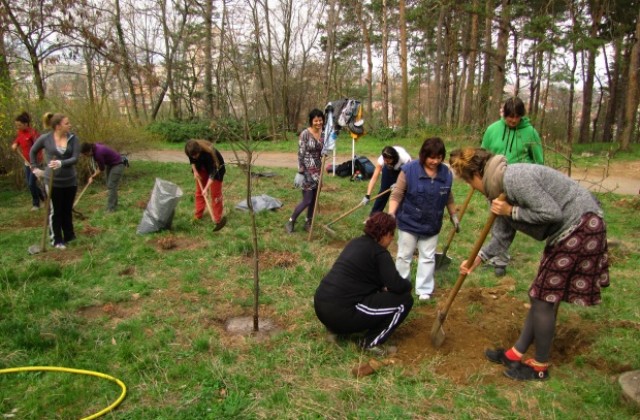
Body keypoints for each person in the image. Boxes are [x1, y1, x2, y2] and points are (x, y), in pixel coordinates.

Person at [450, 147, 609, 381]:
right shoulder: (498, 192)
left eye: (469, 183)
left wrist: (512, 210)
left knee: (543, 298)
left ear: (476, 176)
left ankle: (539, 366)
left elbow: (551, 213)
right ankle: (515, 354)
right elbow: (502, 236)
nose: (472, 188)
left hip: (581, 226)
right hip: (566, 232)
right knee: (540, 294)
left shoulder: (515, 178)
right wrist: (478, 259)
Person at [314, 212, 413, 355]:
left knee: (375, 293)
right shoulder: (380, 253)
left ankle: (334, 329)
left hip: (321, 305)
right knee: (404, 302)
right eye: (392, 235)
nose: (392, 239)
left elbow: (370, 279)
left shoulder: (355, 243)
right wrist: (408, 286)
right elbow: (396, 285)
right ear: (384, 234)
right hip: (340, 314)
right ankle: (370, 343)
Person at [388, 137, 459, 301]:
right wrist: (391, 214)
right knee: (404, 256)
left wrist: (453, 215)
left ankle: (424, 290)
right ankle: (401, 287)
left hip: (432, 224)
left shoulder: (446, 173)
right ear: (423, 155)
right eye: (431, 157)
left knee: (427, 258)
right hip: (409, 222)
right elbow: (397, 194)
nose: (435, 161)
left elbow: (448, 195)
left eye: (439, 157)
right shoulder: (409, 170)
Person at [481, 97, 544, 276]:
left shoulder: (530, 133)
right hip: (495, 183)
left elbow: (538, 160)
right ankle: (495, 256)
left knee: (506, 221)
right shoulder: (492, 130)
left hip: (518, 184)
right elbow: (484, 153)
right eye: (510, 117)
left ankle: (500, 260)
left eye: (517, 117)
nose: (514, 120)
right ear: (505, 115)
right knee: (494, 219)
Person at [30, 113, 80, 249]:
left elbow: (75, 158)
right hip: (52, 181)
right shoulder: (46, 139)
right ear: (58, 126)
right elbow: (33, 151)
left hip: (70, 181)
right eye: (67, 123)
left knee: (67, 209)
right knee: (56, 210)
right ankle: (56, 239)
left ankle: (69, 236)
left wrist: (61, 162)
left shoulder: (73, 139)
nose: (70, 125)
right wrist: (34, 168)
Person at [285, 108, 324, 233]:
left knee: (314, 199)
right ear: (311, 121)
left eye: (320, 120)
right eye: (316, 120)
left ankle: (308, 222)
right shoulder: (305, 134)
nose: (318, 123)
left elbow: (323, 151)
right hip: (306, 171)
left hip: (318, 170)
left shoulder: (323, 134)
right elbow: (300, 154)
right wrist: (300, 172)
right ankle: (291, 221)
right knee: (307, 199)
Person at [185, 139, 226, 231]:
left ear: (199, 150)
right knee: (199, 192)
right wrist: (195, 171)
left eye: (196, 155)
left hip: (216, 170)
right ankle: (198, 215)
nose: (194, 157)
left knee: (216, 195)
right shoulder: (191, 150)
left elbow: (213, 173)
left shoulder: (209, 153)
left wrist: (206, 188)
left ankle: (217, 219)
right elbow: (192, 161)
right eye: (192, 155)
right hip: (201, 167)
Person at [360, 145, 412, 217]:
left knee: (402, 193)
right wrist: (367, 195)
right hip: (389, 170)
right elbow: (374, 178)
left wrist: (398, 184)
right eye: (384, 160)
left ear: (393, 158)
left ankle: (402, 217)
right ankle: (373, 217)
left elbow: (409, 174)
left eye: (387, 160)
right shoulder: (382, 160)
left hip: (402, 170)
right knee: (383, 192)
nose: (385, 162)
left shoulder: (405, 158)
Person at [80, 142, 128, 212]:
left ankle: (111, 209)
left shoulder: (98, 154)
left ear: (89, 151)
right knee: (110, 185)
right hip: (110, 164)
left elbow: (101, 169)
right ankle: (114, 204)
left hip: (118, 164)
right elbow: (101, 144)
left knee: (111, 185)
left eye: (85, 154)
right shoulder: (95, 146)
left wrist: (92, 177)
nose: (85, 156)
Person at [11, 112, 44, 211]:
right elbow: (18, 140)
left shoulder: (33, 133)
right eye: (16, 125)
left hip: (35, 162)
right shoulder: (20, 132)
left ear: (26, 124)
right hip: (27, 163)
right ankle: (44, 198)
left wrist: (35, 162)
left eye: (19, 125)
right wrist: (15, 144)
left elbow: (39, 148)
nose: (17, 127)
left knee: (31, 183)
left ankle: (36, 204)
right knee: (30, 183)